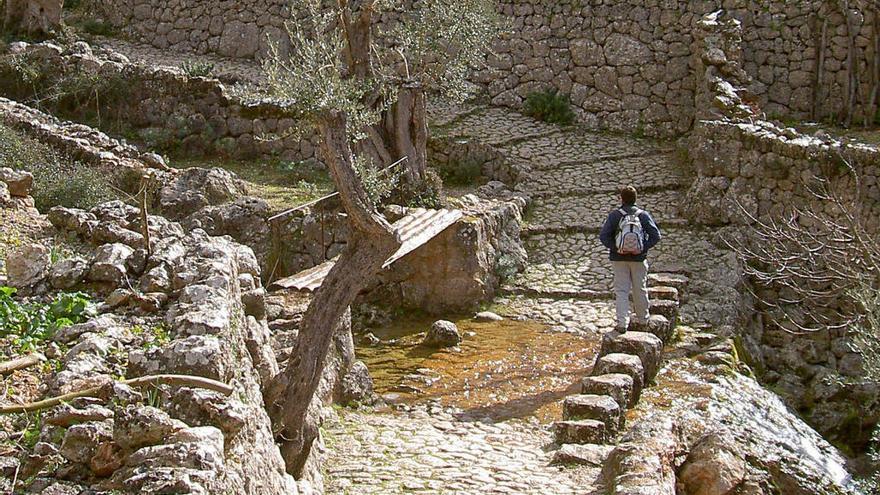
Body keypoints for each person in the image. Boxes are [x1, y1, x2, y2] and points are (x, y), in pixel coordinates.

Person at [599, 186, 662, 332]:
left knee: (621, 290)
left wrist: (616, 248)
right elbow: (656, 236)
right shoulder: (643, 215)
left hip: (618, 259)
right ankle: (643, 320)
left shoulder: (615, 215)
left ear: (621, 199)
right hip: (639, 259)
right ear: (635, 198)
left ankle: (622, 323)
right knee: (640, 288)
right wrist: (642, 248)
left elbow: (603, 236)